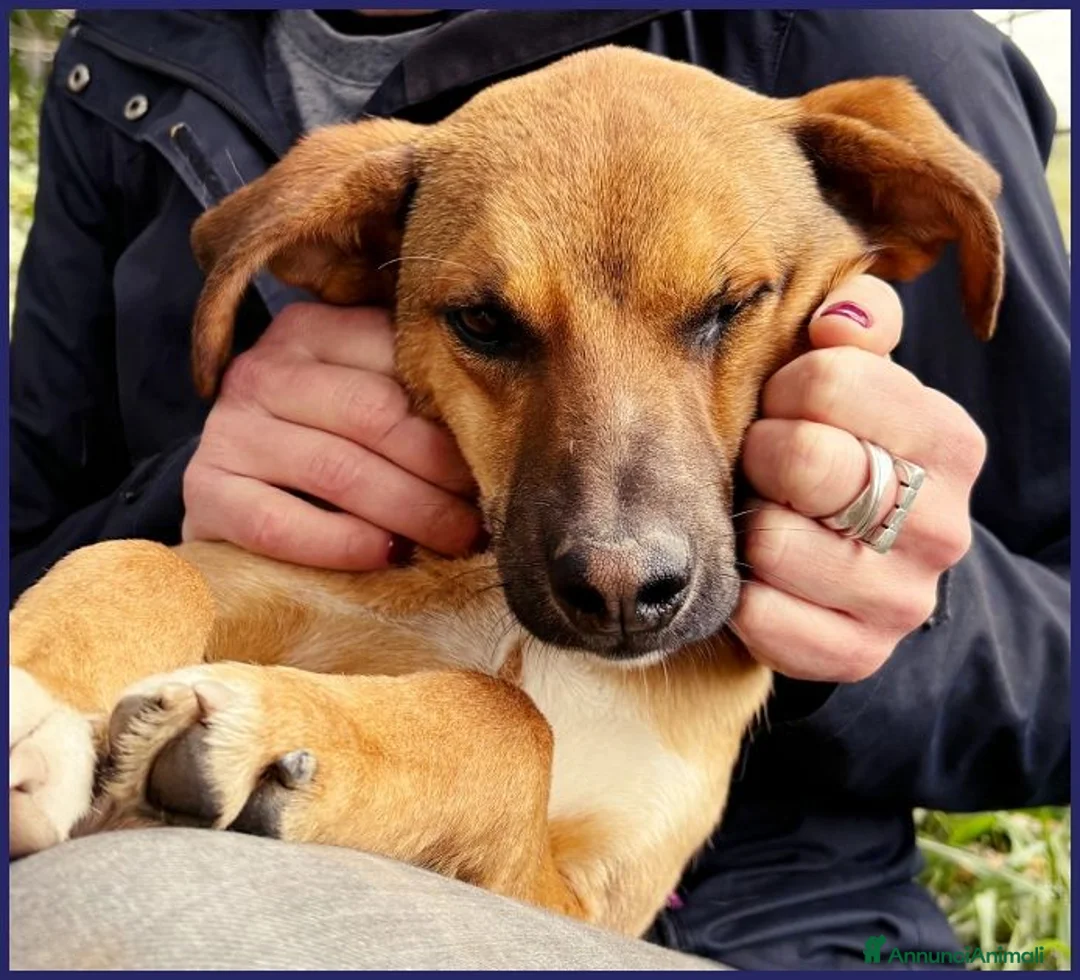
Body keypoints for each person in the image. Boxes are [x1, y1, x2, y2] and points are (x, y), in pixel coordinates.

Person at [9, 9, 1069, 971]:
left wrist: (870, 591)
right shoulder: (122, 61)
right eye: (488, 325)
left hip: (775, 931)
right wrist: (165, 514)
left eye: (722, 310)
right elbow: (32, 531)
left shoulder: (854, 45)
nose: (616, 553)